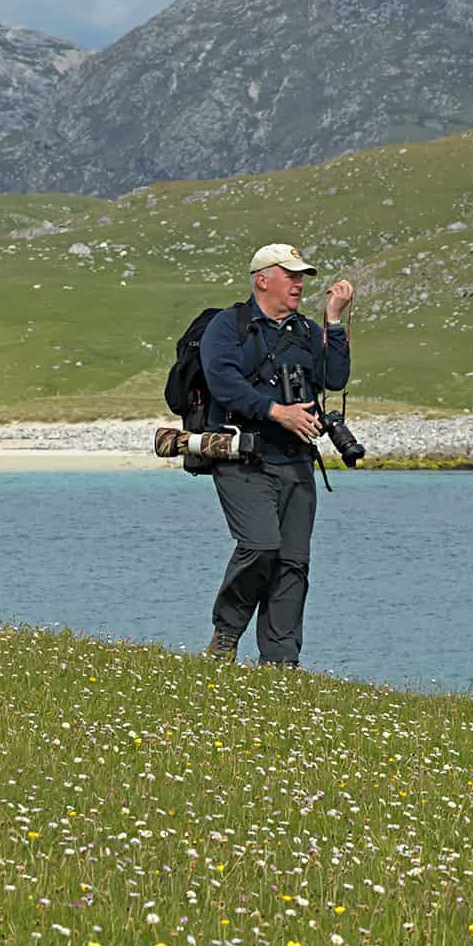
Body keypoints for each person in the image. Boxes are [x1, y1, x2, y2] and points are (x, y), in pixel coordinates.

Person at [198, 242, 354, 667]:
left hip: (297, 460)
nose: (299, 283)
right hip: (241, 456)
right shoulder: (227, 327)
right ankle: (226, 634)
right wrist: (276, 412)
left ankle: (281, 664)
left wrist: (333, 321)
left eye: (302, 276)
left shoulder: (306, 331)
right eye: (291, 275)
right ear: (263, 279)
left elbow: (335, 378)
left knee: (293, 563)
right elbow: (223, 382)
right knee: (260, 546)